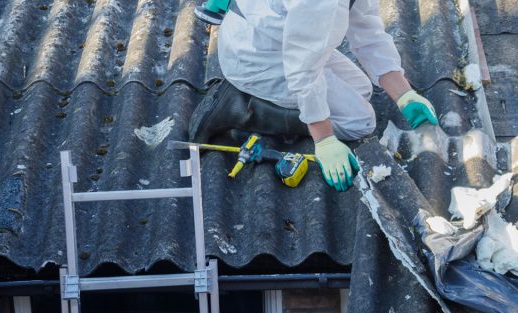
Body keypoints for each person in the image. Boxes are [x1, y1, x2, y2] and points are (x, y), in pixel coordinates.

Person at [188, 0, 439, 192]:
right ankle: (240, 106)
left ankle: (280, 105)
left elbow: (367, 32)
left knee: (362, 89)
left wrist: (404, 94)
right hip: (256, 57)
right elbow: (303, 70)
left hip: (280, 39)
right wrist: (324, 139)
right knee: (359, 122)